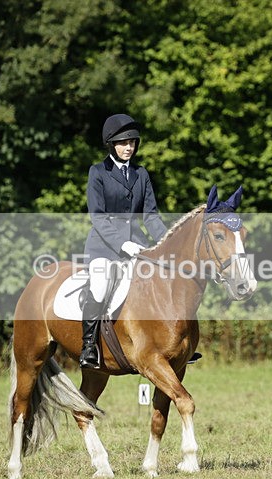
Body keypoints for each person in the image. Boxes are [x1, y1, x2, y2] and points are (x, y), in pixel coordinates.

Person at [79, 113, 168, 369]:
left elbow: (150, 216)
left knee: (164, 283)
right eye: (123, 143)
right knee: (100, 284)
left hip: (137, 246)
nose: (129, 147)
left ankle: (171, 345)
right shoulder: (98, 172)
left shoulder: (141, 174)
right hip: (103, 247)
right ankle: (89, 347)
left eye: (132, 142)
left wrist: (167, 242)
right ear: (111, 144)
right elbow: (98, 217)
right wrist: (122, 244)